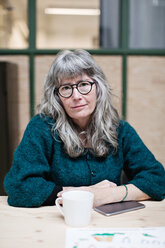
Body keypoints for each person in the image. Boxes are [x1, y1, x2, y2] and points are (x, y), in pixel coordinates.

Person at [4, 49, 165, 208]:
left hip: (111, 226)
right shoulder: (41, 128)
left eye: (84, 84)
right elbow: (19, 187)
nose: (76, 96)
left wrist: (108, 195)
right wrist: (83, 194)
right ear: (57, 97)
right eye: (66, 88)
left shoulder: (120, 130)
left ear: (98, 88)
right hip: (57, 223)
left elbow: (158, 179)